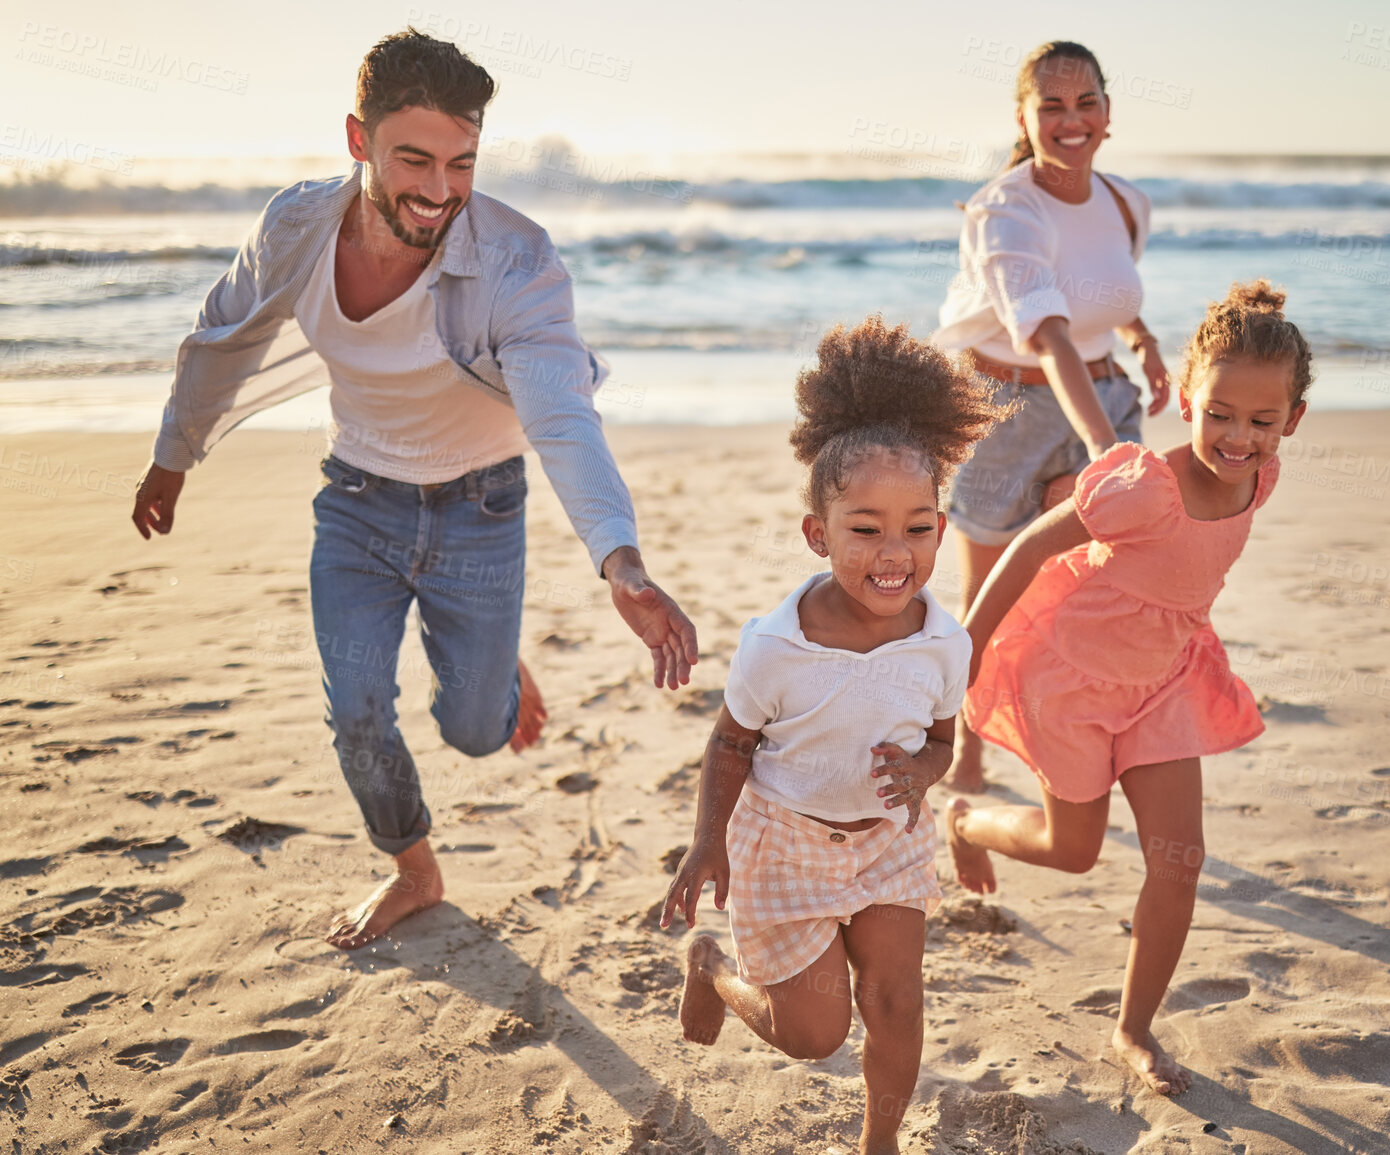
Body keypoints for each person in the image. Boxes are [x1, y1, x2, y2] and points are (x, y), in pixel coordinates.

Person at [127, 30, 698, 950]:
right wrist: (172, 454)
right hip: (356, 497)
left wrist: (620, 561)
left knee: (476, 731)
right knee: (354, 707)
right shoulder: (297, 228)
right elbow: (222, 333)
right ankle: (413, 867)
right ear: (359, 141)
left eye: (462, 163)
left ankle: (490, 657)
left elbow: (561, 414)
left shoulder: (517, 261)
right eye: (414, 159)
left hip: (481, 508)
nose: (439, 191)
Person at [945, 280, 1312, 1096]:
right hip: (1070, 683)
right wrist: (966, 648)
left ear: (1291, 421)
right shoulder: (1141, 482)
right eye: (1218, 413)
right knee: (1072, 851)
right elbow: (1031, 547)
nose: (1236, 437)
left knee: (1178, 861)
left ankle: (1131, 1028)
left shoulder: (1261, 479)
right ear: (1184, 397)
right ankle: (966, 819)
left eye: (1260, 421)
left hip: (1163, 683)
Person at [660, 318, 1010, 1154]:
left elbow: (941, 735)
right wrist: (708, 842)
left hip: (888, 842)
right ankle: (711, 966)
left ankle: (877, 1143)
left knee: (896, 999)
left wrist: (923, 772)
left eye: (919, 527)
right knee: (813, 1032)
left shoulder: (942, 640)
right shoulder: (776, 646)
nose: (895, 553)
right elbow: (731, 744)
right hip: (784, 844)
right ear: (818, 533)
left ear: (939, 523)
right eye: (865, 528)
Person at [931, 40, 1172, 792]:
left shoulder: (1127, 200)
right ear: (1023, 118)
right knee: (992, 595)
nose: (1071, 120)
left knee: (1093, 587)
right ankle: (965, 746)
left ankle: (1077, 740)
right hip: (1007, 410)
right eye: (1051, 106)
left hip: (1100, 394)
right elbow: (1049, 332)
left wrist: (1144, 342)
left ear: (1107, 113)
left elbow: (1104, 294)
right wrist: (1104, 450)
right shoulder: (1004, 210)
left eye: (1085, 102)